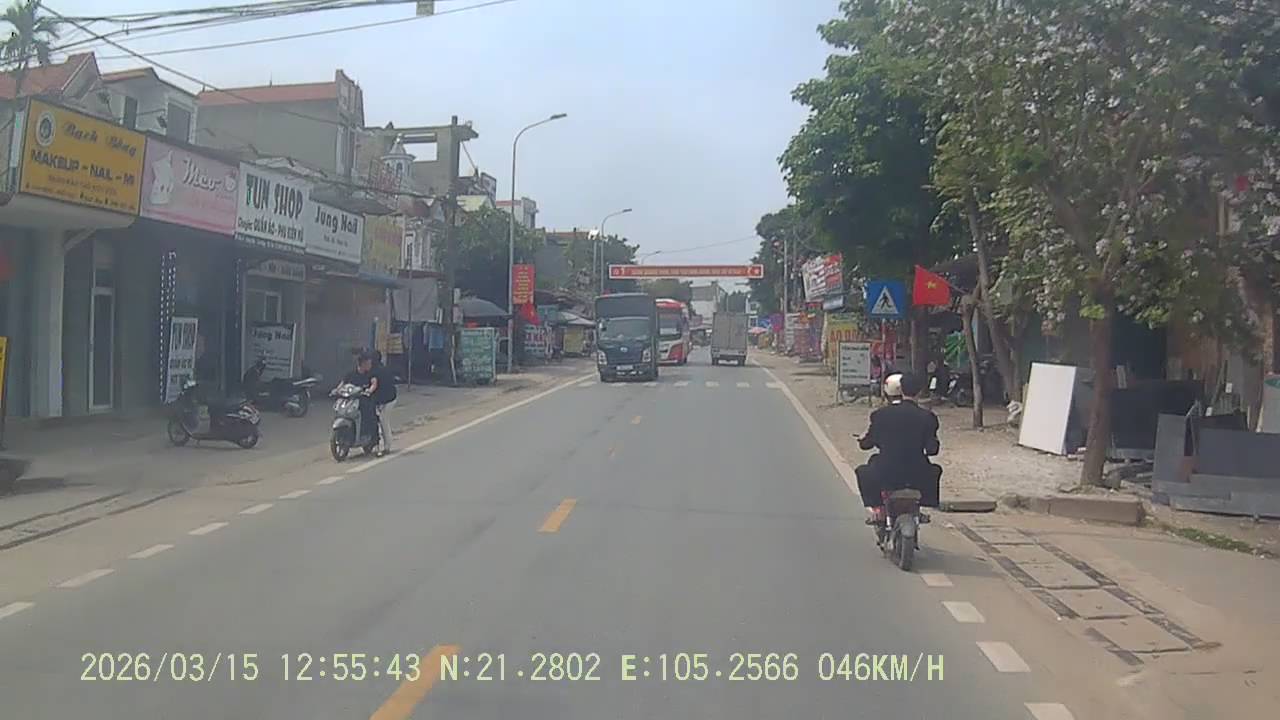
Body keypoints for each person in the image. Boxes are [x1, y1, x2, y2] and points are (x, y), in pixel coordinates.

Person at [854, 371, 942, 519]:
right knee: (935, 470)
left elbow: (867, 444)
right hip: (917, 473)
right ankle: (924, 504)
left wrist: (864, 440)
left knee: (862, 471)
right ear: (919, 391)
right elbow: (932, 450)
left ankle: (878, 508)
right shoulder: (928, 417)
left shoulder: (880, 415)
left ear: (901, 390)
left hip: (886, 473)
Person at [342, 352, 380, 448]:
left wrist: (369, 391)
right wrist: (337, 390)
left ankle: (369, 437)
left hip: (366, 400)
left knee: (368, 415)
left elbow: (374, 384)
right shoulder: (351, 374)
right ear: (363, 363)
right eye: (368, 363)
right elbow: (342, 383)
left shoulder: (370, 374)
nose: (370, 365)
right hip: (352, 400)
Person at [371, 350, 398, 456]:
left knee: (383, 420)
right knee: (381, 420)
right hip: (385, 399)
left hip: (388, 400)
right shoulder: (382, 369)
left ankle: (387, 446)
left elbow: (375, 387)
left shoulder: (377, 371)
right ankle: (379, 444)